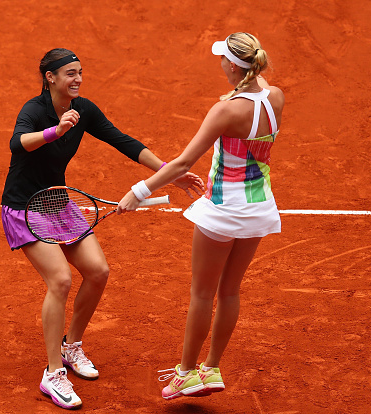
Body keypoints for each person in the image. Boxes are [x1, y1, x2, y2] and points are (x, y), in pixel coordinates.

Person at [0, 48, 204, 410]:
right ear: (50, 78)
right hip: (25, 208)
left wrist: (168, 172)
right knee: (60, 280)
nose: (77, 79)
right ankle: (52, 374)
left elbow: (121, 140)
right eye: (69, 74)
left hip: (58, 202)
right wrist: (55, 131)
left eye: (80, 72)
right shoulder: (35, 110)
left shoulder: (85, 110)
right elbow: (18, 143)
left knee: (98, 272)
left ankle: (71, 345)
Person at [117, 32, 284, 400]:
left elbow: (183, 162)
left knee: (202, 293)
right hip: (259, 208)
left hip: (223, 210)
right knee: (230, 291)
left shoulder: (226, 110)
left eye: (223, 58)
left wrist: (139, 191)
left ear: (233, 65)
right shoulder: (275, 96)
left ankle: (187, 373)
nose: (220, 64)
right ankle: (211, 368)